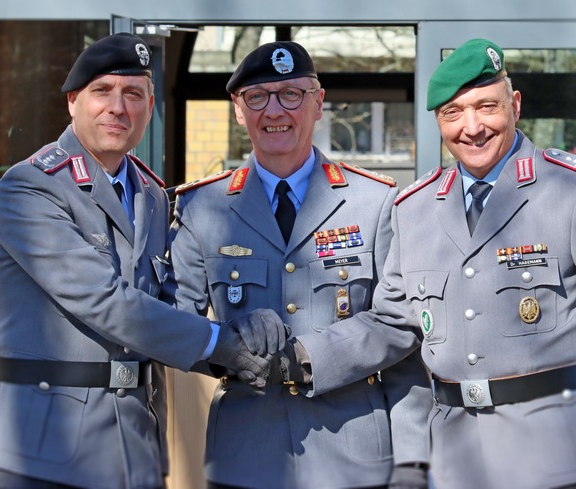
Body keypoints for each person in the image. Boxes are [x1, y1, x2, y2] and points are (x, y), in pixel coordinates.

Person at [275, 38, 576, 488]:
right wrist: (306, 357)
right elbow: (392, 322)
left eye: (487, 107)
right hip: (456, 456)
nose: (472, 128)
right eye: (453, 113)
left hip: (560, 450)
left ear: (515, 105)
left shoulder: (575, 189)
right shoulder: (414, 208)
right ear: (438, 121)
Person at [0, 33, 286, 489]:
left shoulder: (152, 196)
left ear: (150, 106)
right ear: (72, 102)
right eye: (102, 91)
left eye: (133, 94)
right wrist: (222, 344)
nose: (118, 108)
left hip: (134, 441)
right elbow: (105, 301)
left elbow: (166, 306)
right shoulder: (30, 188)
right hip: (44, 446)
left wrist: (243, 336)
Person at [161, 41, 431, 489]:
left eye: (291, 94)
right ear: (238, 110)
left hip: (354, 455)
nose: (274, 111)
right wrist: (227, 344)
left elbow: (400, 323)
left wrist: (412, 460)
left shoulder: (374, 201)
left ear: (318, 103)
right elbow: (173, 323)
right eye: (257, 97)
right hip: (245, 455)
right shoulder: (202, 207)